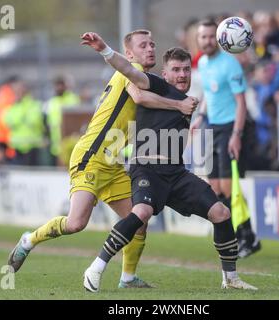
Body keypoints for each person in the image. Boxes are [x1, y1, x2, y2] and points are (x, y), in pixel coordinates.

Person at [7, 30, 198, 289]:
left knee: (138, 221)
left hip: (113, 162)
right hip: (92, 156)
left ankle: (127, 278)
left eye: (152, 44)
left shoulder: (146, 79)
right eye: (143, 45)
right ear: (129, 53)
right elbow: (140, 96)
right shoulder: (130, 71)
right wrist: (105, 50)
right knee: (76, 224)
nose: (151, 49)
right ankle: (29, 240)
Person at [80, 32, 257, 292]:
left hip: (176, 174)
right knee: (141, 213)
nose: (182, 74)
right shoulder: (156, 85)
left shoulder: (188, 99)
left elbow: (214, 93)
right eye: (176, 70)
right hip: (147, 169)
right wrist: (104, 49)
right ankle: (95, 268)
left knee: (222, 213)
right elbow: (128, 69)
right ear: (165, 74)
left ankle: (230, 279)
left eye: (186, 69)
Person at [191, 20, 261, 258]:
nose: (208, 41)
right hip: (212, 127)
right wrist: (200, 116)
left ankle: (248, 237)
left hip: (230, 127)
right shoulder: (201, 62)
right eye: (204, 37)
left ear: (219, 39)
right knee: (216, 189)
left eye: (212, 36)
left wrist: (236, 135)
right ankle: (231, 236)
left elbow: (241, 102)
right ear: (198, 40)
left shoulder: (230, 64)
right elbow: (210, 94)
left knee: (231, 189)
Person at [46, 77, 81, 165]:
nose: (59, 88)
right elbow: (50, 121)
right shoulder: (52, 102)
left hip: (70, 141)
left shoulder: (73, 99)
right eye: (57, 86)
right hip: (57, 141)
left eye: (61, 85)